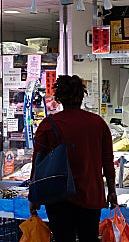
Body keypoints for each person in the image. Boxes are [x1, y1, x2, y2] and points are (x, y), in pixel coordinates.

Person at [29, 75, 117, 242]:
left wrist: (34, 196)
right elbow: (108, 161)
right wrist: (112, 191)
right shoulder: (98, 123)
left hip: (57, 196)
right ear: (82, 97)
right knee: (89, 237)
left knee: (63, 238)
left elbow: (37, 162)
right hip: (91, 194)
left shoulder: (48, 125)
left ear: (59, 98)